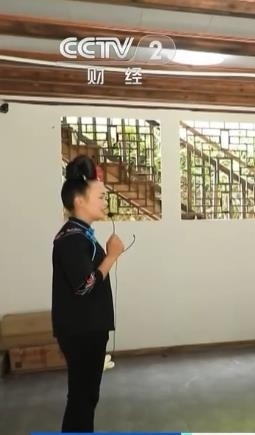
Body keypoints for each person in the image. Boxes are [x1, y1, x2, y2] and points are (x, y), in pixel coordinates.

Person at [53, 156, 125, 433]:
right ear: (79, 201)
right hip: (81, 331)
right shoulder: (72, 238)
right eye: (101, 196)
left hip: (86, 329)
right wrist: (112, 256)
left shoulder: (80, 235)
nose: (105, 201)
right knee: (82, 398)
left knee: (85, 397)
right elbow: (85, 285)